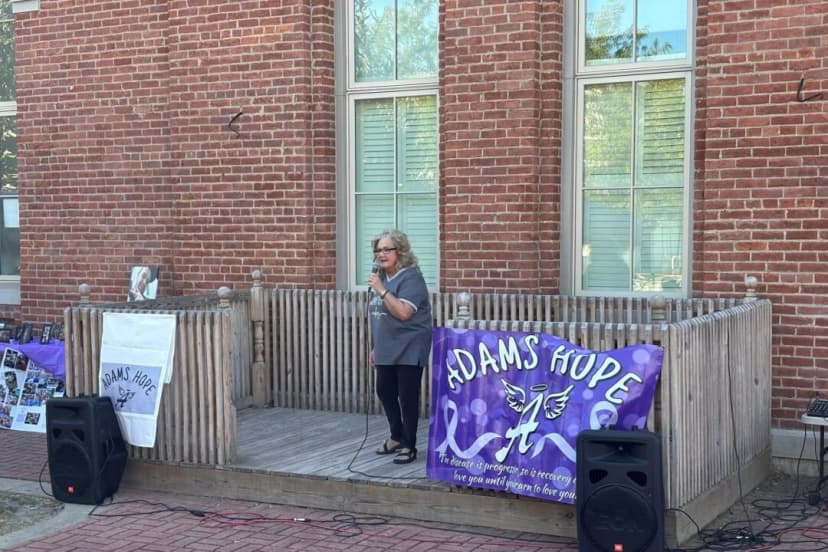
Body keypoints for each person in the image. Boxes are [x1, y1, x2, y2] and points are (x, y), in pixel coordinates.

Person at [367, 229, 433, 465]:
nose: (381, 254)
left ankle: (409, 444)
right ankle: (396, 435)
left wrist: (381, 290)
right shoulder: (382, 278)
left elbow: (404, 313)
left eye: (387, 249)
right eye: (378, 250)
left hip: (410, 345)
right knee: (384, 391)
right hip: (386, 346)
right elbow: (379, 316)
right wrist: (376, 347)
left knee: (407, 397)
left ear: (400, 251)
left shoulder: (411, 278)